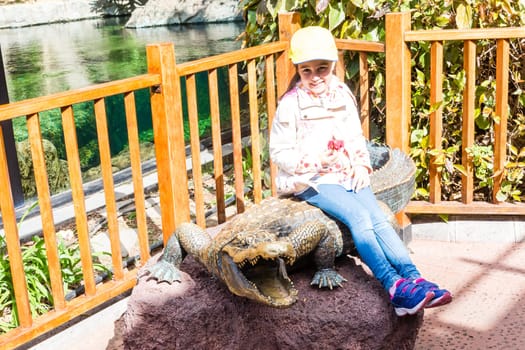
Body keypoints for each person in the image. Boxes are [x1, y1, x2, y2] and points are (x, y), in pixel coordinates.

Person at [269, 26, 452, 316]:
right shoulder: (290, 104)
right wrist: (317, 161)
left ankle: (413, 276)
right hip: (313, 180)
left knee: (378, 216)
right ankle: (394, 287)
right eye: (307, 71)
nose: (315, 77)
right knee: (359, 218)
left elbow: (355, 137)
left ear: (334, 64)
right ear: (298, 70)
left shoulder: (341, 93)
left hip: (346, 173)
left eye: (322, 68)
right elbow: (279, 152)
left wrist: (361, 165)